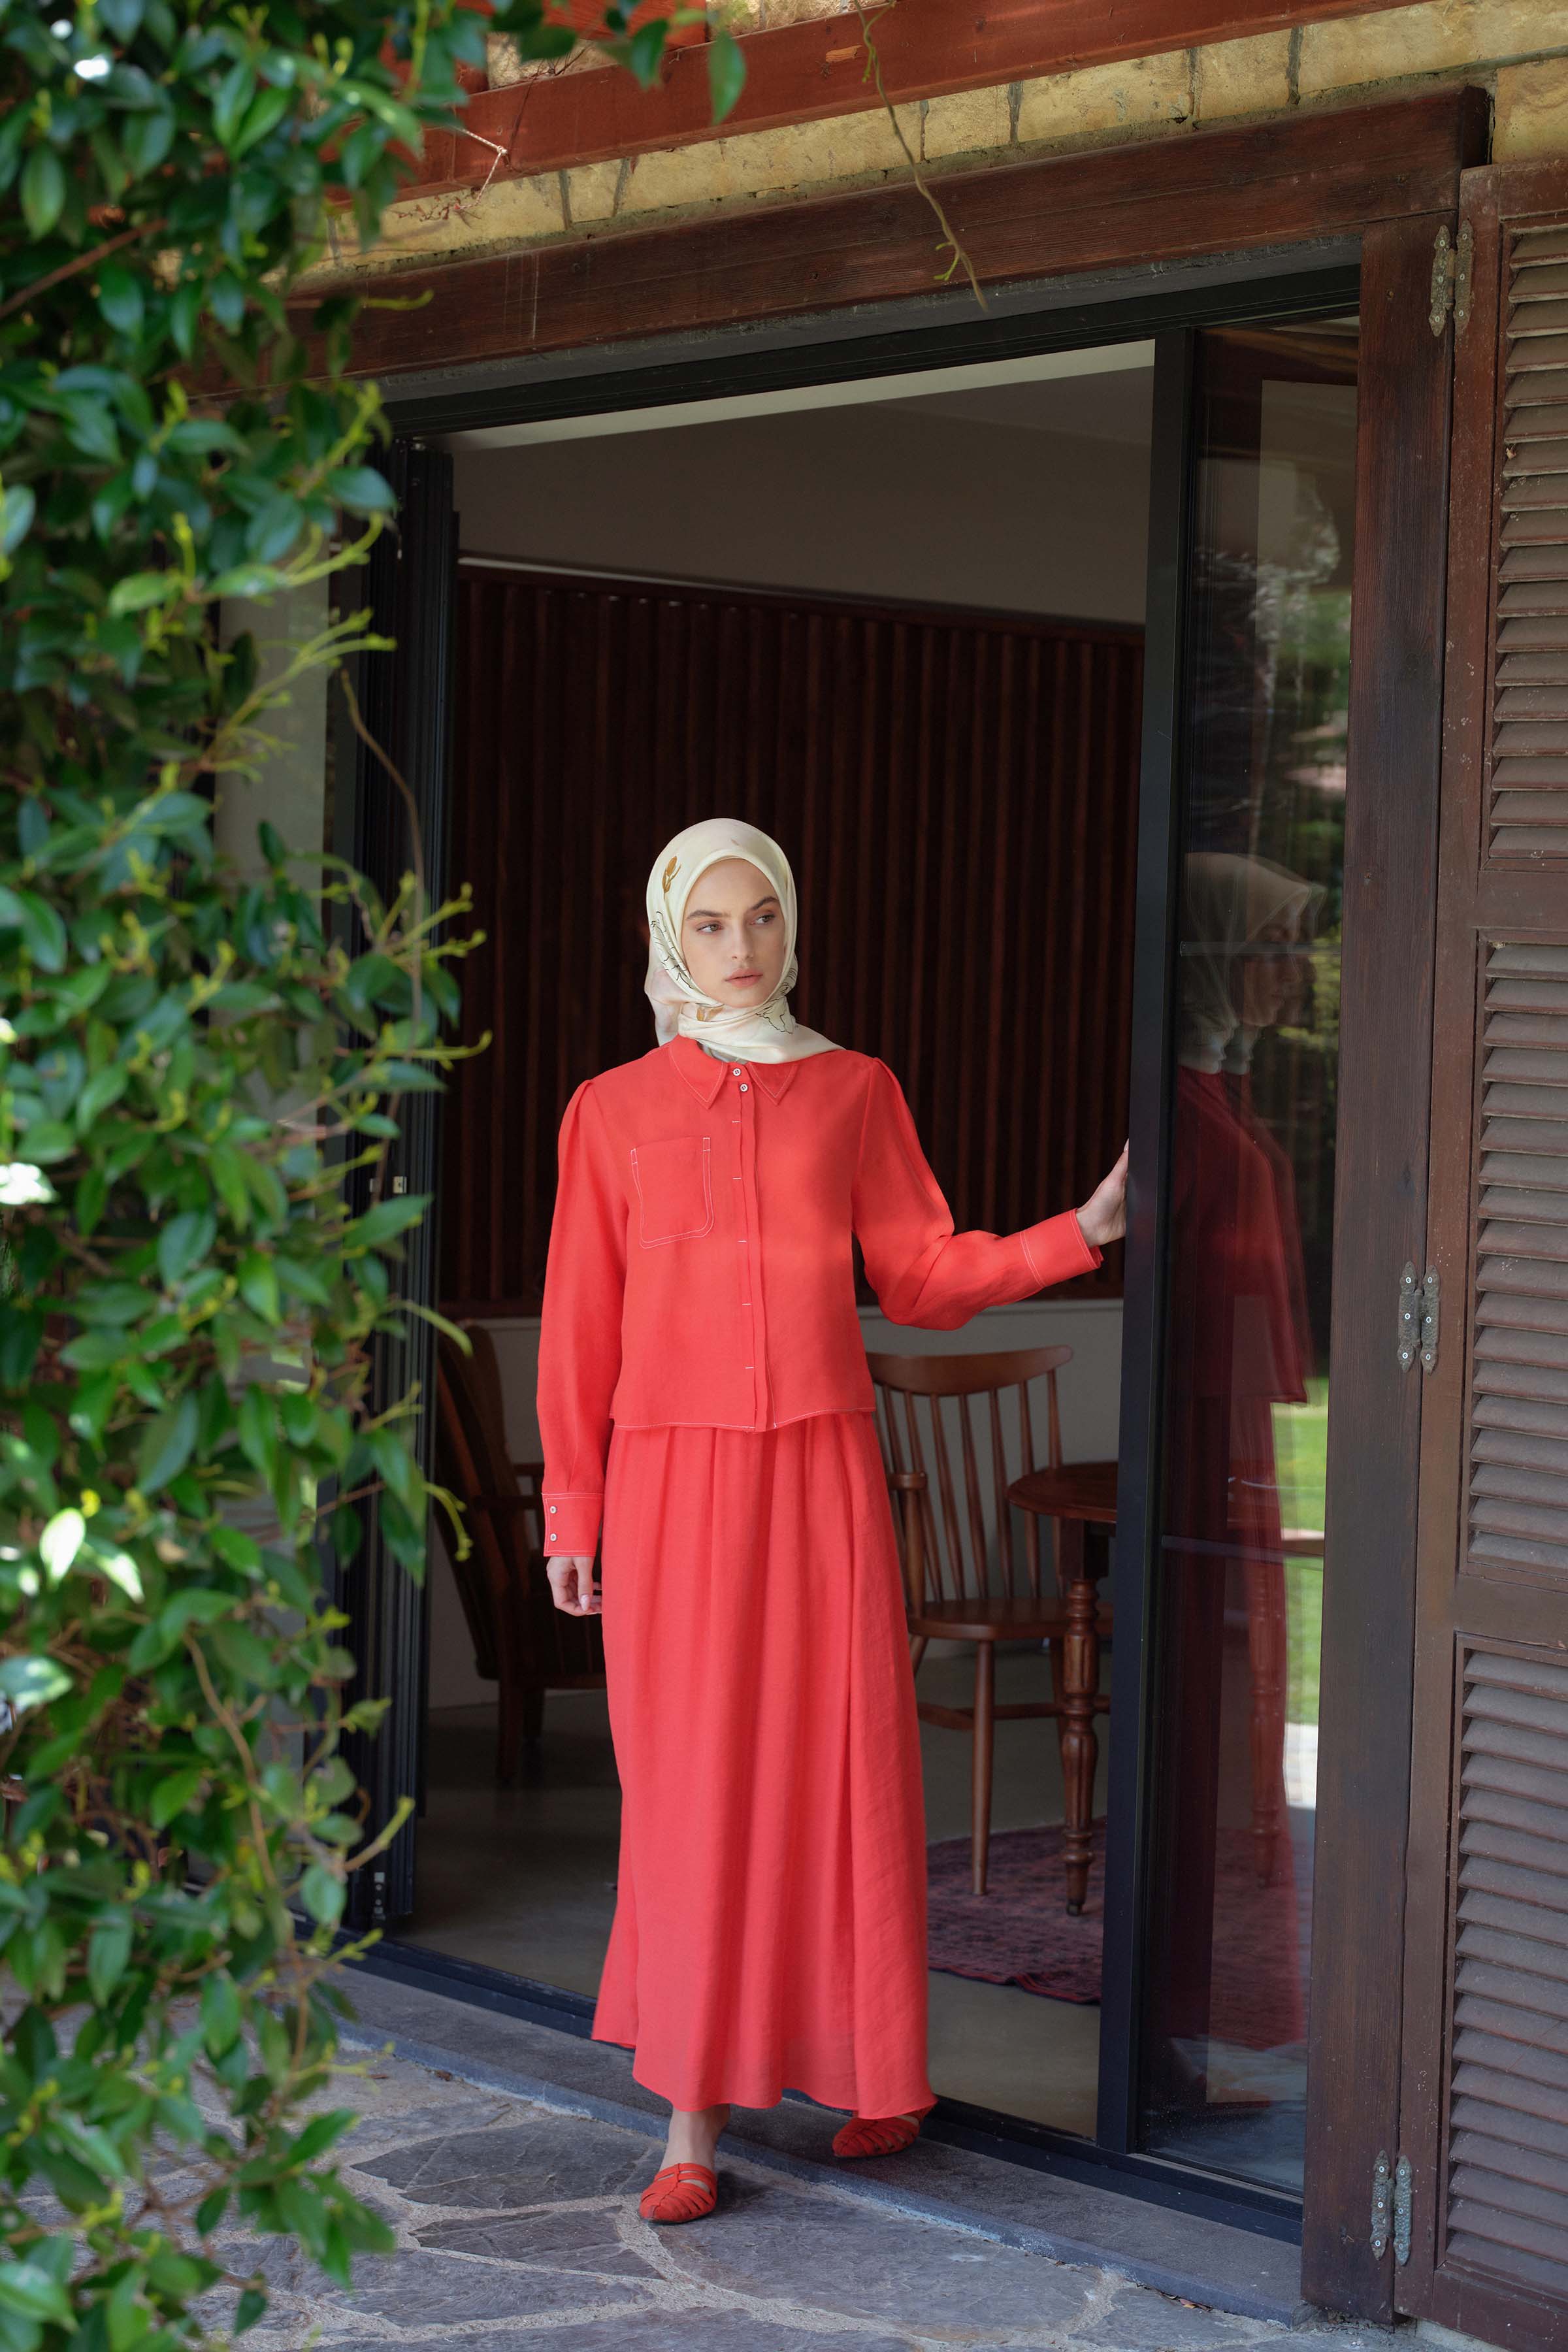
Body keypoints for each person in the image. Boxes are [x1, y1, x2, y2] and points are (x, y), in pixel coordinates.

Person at [536, 817, 1128, 2225]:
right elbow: (577, 1324)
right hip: (670, 1487)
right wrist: (574, 1507)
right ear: (668, 940)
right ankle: (691, 2124)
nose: (741, 948)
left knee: (844, 1765)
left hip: (820, 1476)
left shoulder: (857, 1089)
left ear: (792, 925)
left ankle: (877, 2072)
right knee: (689, 1787)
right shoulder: (610, 1109)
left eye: (762, 918)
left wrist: (1082, 1232)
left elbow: (918, 1275)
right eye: (710, 924)